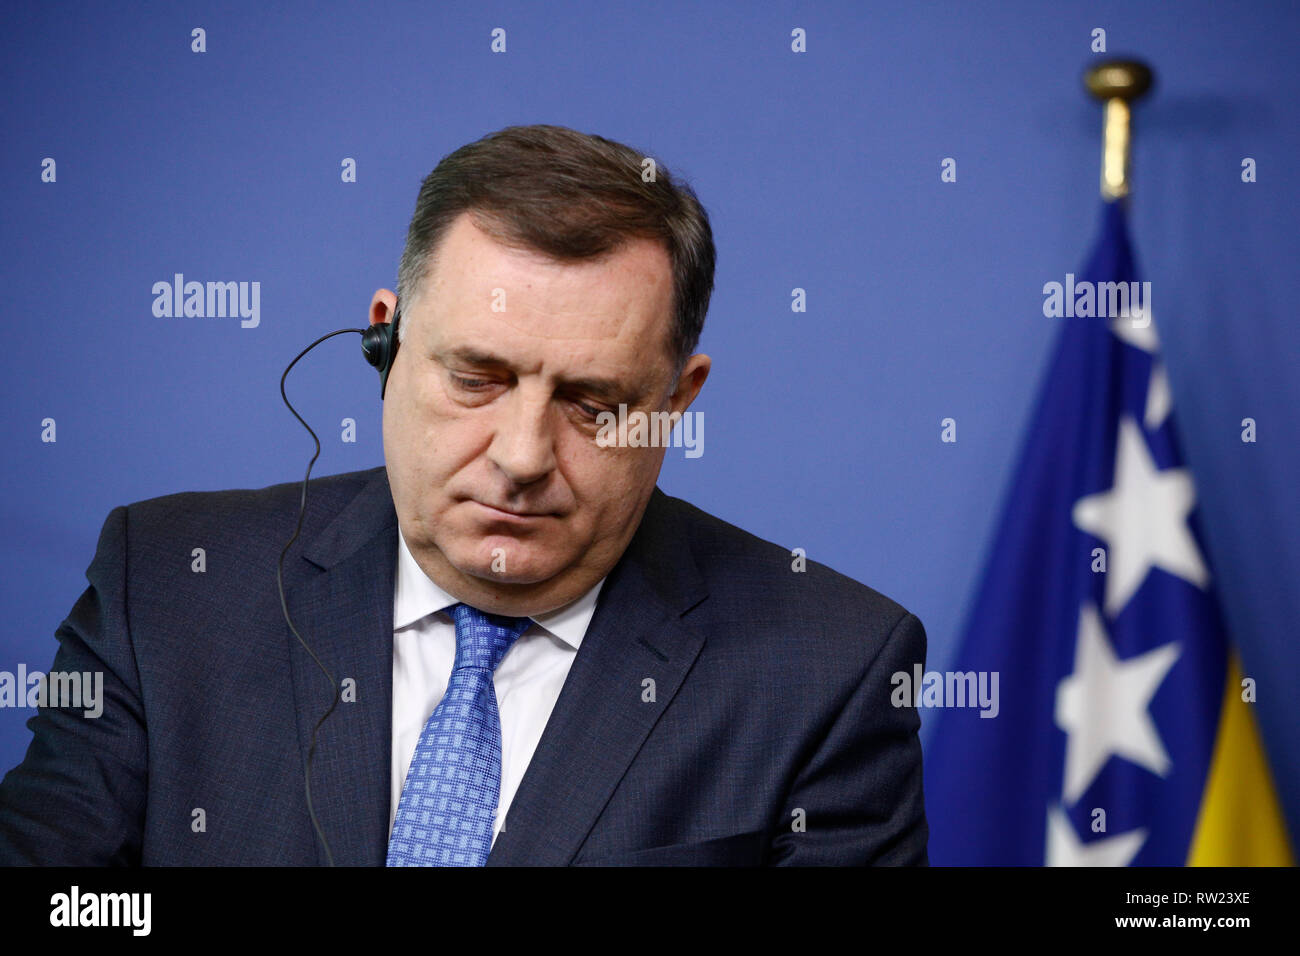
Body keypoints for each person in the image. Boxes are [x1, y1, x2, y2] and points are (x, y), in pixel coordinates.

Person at [0, 124, 929, 866]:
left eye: (593, 403)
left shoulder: (830, 670)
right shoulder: (166, 586)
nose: (523, 456)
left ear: (676, 403)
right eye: (477, 378)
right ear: (386, 341)